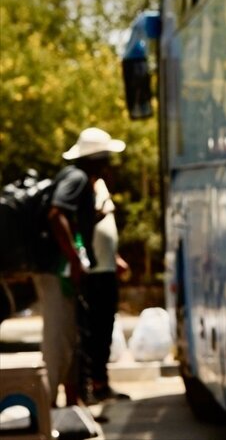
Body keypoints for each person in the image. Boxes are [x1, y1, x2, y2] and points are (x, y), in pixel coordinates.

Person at [34, 126, 125, 407]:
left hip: (63, 272)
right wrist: (75, 259)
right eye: (106, 157)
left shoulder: (81, 179)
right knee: (58, 340)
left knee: (72, 339)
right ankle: (48, 409)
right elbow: (56, 214)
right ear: (96, 158)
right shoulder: (78, 178)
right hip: (57, 270)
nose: (109, 163)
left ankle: (73, 405)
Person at [77, 176, 131, 405]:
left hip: (107, 268)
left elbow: (104, 226)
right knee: (93, 332)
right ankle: (88, 387)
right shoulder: (80, 185)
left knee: (105, 329)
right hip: (93, 271)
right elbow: (84, 223)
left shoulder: (100, 185)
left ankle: (101, 383)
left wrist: (115, 257)